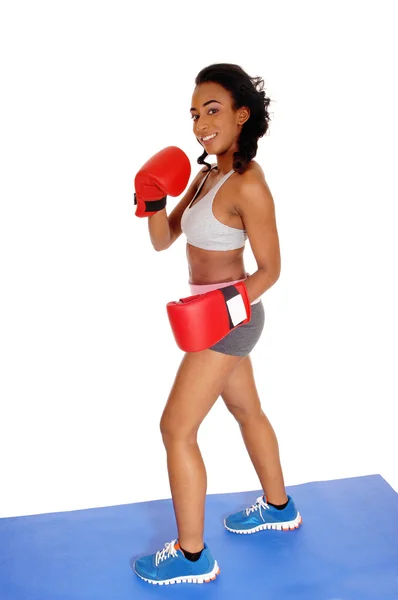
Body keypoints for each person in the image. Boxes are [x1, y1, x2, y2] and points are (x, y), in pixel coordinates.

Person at [132, 63, 302, 586]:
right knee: (247, 410)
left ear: (241, 115)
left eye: (212, 110)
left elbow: (272, 270)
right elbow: (165, 240)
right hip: (213, 314)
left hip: (228, 319)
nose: (200, 123)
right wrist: (152, 198)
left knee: (176, 427)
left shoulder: (249, 184)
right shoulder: (207, 174)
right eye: (194, 113)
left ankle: (190, 557)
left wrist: (223, 307)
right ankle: (277, 506)